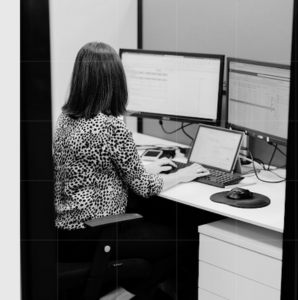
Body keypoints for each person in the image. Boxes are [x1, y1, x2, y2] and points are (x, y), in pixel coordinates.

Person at [53, 41, 207, 299]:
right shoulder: (111, 126)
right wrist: (182, 174)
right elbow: (144, 187)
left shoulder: (66, 118)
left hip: (66, 234)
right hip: (97, 231)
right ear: (115, 81)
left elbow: (97, 168)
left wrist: (150, 167)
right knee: (189, 240)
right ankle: (122, 296)